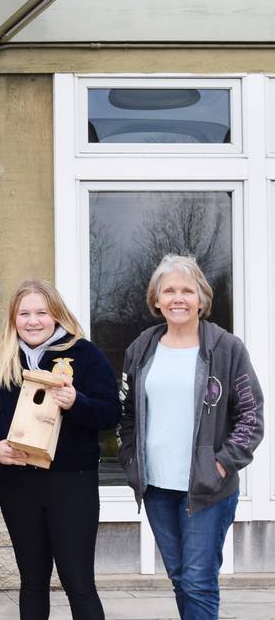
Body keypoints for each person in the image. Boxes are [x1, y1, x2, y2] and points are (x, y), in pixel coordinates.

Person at [119, 255, 264, 620]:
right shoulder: (141, 349)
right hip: (157, 486)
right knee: (181, 578)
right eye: (169, 290)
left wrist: (220, 464)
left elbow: (250, 416)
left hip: (207, 487)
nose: (178, 297)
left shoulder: (227, 348)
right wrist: (131, 459)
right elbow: (128, 414)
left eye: (187, 290)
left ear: (202, 298)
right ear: (156, 300)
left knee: (198, 581)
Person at [0, 279, 118, 620]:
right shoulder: (0, 358)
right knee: (32, 582)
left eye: (41, 312)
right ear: (13, 318)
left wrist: (76, 402)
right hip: (18, 483)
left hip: (72, 482)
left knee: (77, 581)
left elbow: (110, 413)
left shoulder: (84, 354)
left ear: (56, 315)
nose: (33, 321)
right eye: (24, 313)